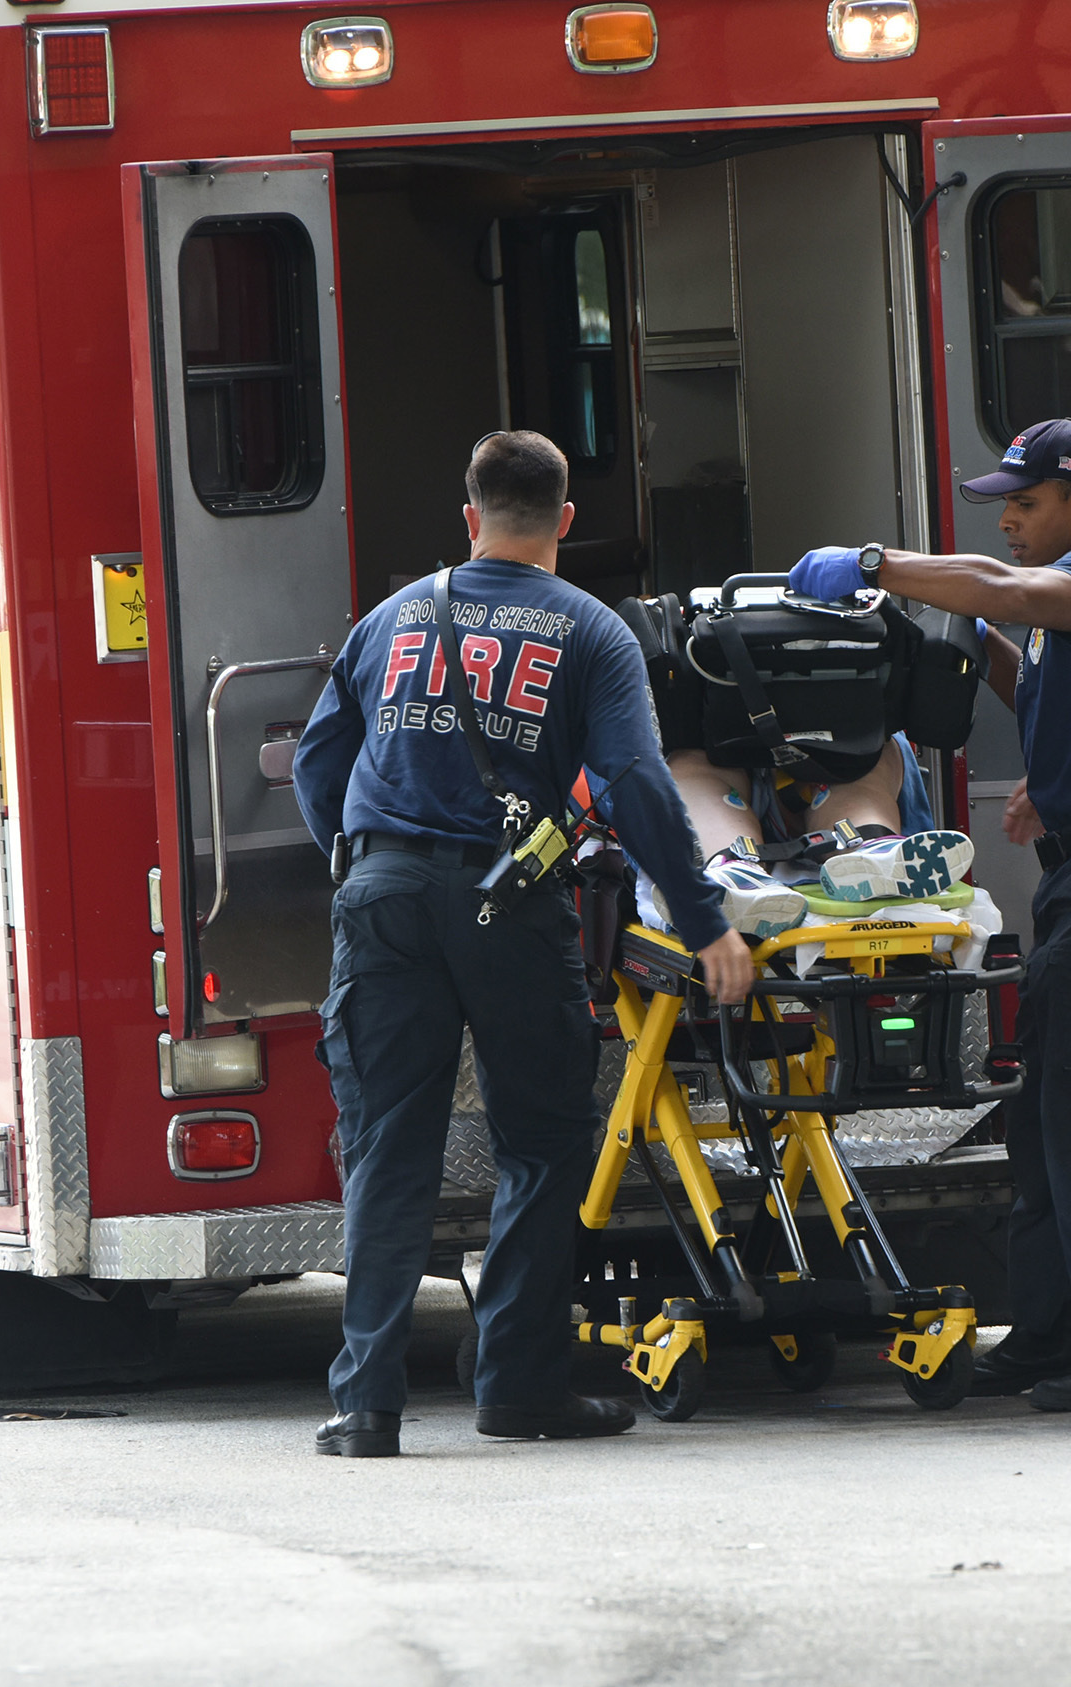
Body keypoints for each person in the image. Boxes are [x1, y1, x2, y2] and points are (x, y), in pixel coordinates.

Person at [293, 429, 754, 1459]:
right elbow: (636, 785)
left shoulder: (390, 618)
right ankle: (517, 1387)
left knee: (385, 1150)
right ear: (566, 520)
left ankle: (365, 1408)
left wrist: (365, 869)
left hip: (380, 896)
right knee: (542, 1145)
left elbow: (320, 765)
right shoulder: (592, 633)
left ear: (470, 514)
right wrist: (705, 918)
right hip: (509, 906)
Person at [787, 417, 1071, 1412]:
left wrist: (884, 565)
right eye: (1002, 506)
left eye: (1025, 502)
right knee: (1043, 1113)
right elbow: (1038, 676)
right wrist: (967, 640)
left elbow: (1006, 588)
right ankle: (1054, 1331)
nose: (1010, 519)